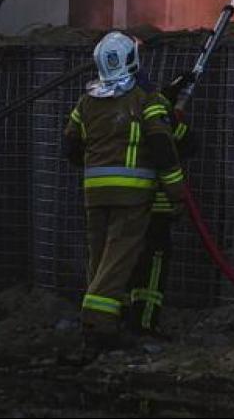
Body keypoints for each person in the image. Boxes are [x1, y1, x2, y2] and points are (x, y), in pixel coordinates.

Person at [63, 32, 186, 353]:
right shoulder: (145, 100)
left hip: (94, 195)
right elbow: (162, 147)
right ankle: (98, 324)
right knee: (118, 259)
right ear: (133, 60)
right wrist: (176, 192)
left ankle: (103, 320)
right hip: (132, 198)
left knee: (100, 258)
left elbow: (70, 147)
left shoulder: (85, 101)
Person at [125, 72, 193, 338]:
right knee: (153, 262)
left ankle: (116, 318)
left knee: (120, 260)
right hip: (154, 204)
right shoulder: (156, 114)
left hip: (118, 204)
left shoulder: (109, 111)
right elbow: (185, 145)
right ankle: (144, 323)